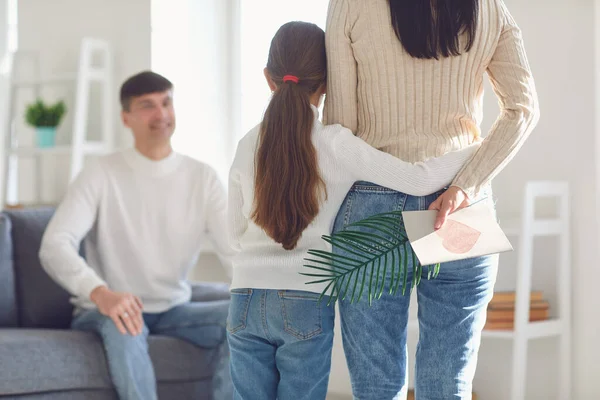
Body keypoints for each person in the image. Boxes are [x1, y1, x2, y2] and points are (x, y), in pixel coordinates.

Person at [226, 21, 484, 400]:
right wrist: (478, 153)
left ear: (268, 78)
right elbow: (415, 179)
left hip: (244, 296)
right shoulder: (335, 144)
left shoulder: (247, 143)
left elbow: (233, 231)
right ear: (328, 83)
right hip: (305, 298)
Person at [325, 0, 540, 398]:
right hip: (458, 207)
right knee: (449, 386)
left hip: (371, 204)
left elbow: (341, 129)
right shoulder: (489, 8)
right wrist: (466, 185)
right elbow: (523, 109)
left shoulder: (350, 5)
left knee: (375, 388)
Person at [39, 71, 233, 400]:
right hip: (108, 310)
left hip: (174, 308)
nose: (161, 114)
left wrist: (257, 298)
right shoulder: (100, 172)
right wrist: (101, 293)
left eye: (166, 103)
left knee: (242, 318)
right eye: (147, 106)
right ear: (125, 118)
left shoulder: (203, 178)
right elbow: (54, 246)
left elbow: (235, 252)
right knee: (124, 325)